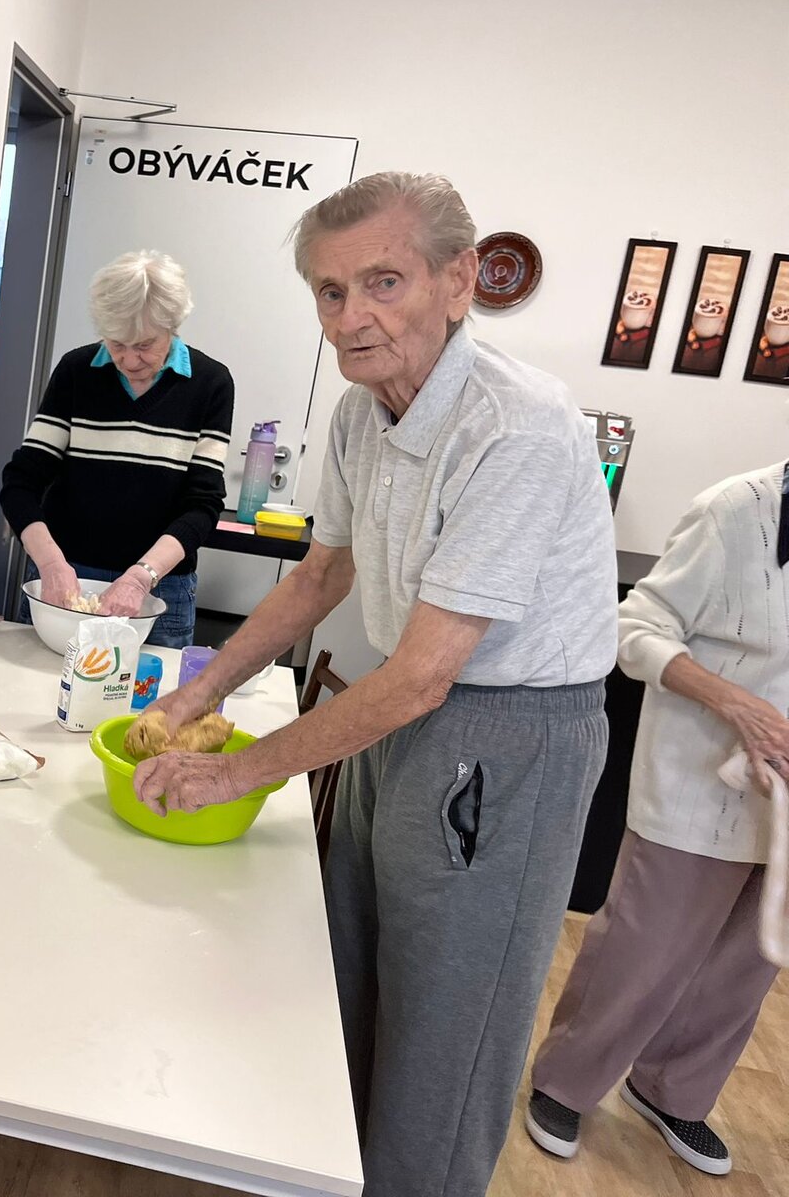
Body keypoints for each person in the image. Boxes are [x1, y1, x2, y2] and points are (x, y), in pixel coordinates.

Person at [130, 173, 618, 1196]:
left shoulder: (517, 426)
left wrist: (239, 772)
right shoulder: (362, 414)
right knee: (348, 966)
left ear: (458, 281)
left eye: (382, 282)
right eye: (330, 290)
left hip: (507, 735)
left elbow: (429, 673)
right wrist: (197, 694)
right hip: (398, 707)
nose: (351, 316)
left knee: (446, 1022)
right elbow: (320, 577)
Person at [525, 460, 788, 1176]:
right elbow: (635, 628)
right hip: (700, 782)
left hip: (785, 803)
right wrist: (735, 702)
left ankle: (671, 1089)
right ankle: (565, 1081)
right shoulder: (733, 511)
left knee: (748, 964)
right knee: (644, 950)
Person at [0, 250, 235, 647]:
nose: (128, 359)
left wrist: (141, 577)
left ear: (172, 327)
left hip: (160, 586)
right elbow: (20, 483)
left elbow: (202, 506)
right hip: (67, 577)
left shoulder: (210, 383)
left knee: (150, 689)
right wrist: (51, 563)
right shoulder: (76, 372)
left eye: (144, 344)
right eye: (116, 344)